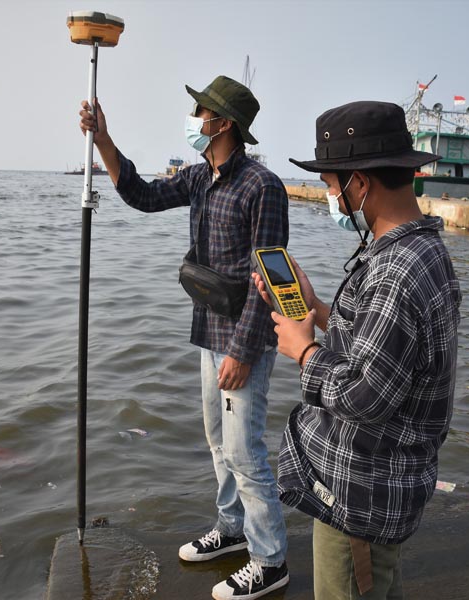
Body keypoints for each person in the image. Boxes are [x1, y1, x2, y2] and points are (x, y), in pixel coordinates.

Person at [79, 75, 289, 600]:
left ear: (224, 123)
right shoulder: (200, 178)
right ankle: (231, 527)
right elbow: (143, 196)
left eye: (202, 113)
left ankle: (270, 559)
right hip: (208, 331)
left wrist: (242, 352)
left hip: (245, 339)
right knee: (219, 443)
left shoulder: (263, 188)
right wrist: (104, 139)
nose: (196, 120)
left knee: (245, 451)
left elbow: (271, 281)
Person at [252, 101, 462, 599]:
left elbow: (366, 394)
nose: (329, 194)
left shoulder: (394, 272)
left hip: (361, 493)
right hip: (386, 484)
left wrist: (304, 352)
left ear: (360, 183)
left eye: (330, 184)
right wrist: (317, 309)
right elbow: (384, 348)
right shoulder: (421, 251)